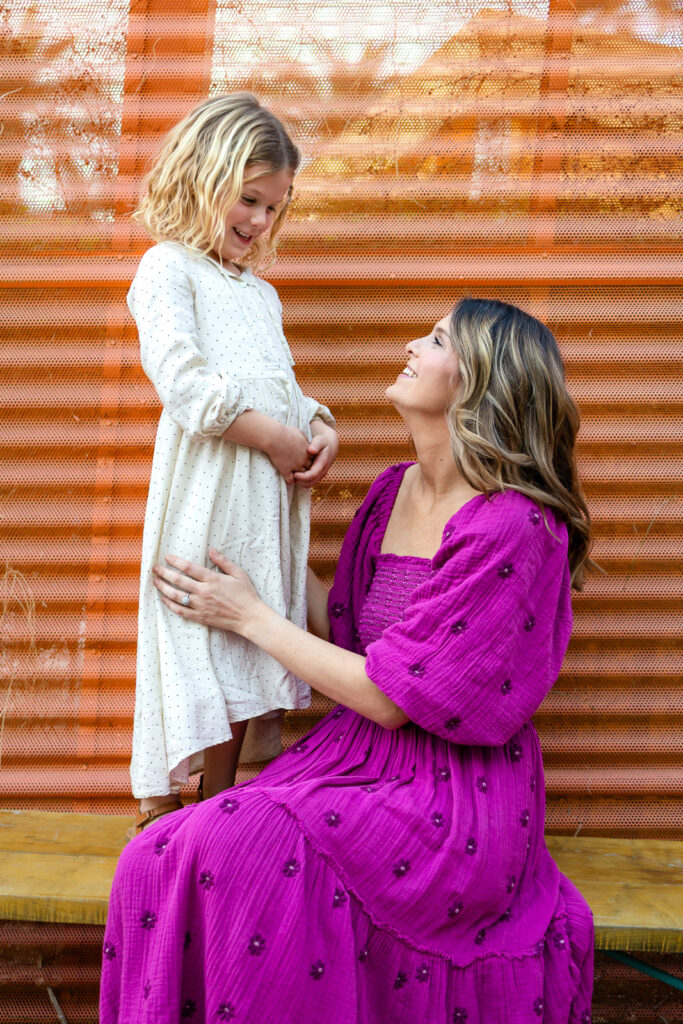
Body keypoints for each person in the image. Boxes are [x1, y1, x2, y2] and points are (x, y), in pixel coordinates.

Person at [101, 298, 595, 1023]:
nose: (409, 346)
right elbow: (345, 632)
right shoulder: (392, 491)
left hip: (451, 796)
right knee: (152, 857)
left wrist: (248, 616)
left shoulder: (513, 526)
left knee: (232, 848)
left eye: (434, 340)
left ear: (478, 383)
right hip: (352, 759)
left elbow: (392, 696)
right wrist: (255, 534)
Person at [126, 93, 338, 833]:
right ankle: (160, 807)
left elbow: (280, 386)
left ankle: (214, 808)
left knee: (246, 641)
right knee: (195, 634)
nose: (260, 221)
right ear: (201, 178)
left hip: (260, 504)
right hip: (206, 494)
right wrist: (272, 438)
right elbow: (183, 383)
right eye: (248, 200)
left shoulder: (262, 296)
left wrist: (316, 426)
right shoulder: (168, 268)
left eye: (274, 208)